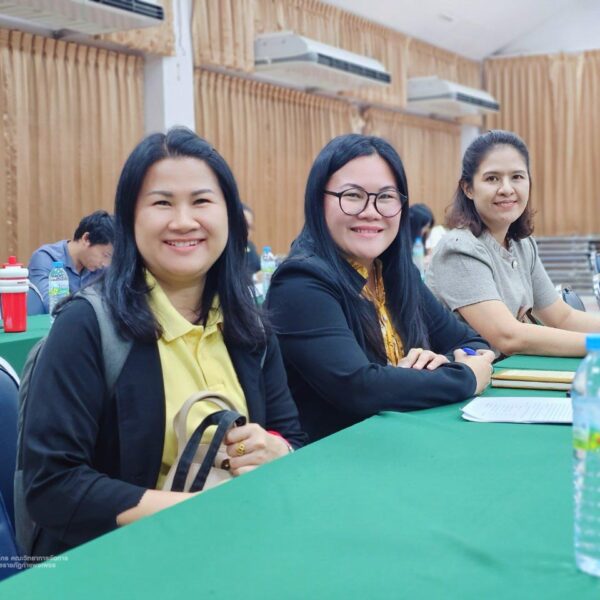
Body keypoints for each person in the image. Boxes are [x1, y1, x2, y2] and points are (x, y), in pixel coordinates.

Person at [22, 128, 305, 557]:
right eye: (162, 203)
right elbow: (52, 485)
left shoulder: (249, 326)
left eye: (202, 201)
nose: (184, 221)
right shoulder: (87, 326)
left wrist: (277, 449)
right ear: (130, 219)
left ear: (229, 216)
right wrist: (193, 511)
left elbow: (293, 435)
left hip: (239, 546)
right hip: (124, 559)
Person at [266, 134, 494, 442]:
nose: (371, 211)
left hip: (403, 443)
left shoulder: (394, 273)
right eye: (352, 195)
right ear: (318, 200)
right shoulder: (300, 283)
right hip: (335, 457)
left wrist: (443, 363)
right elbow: (359, 388)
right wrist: (465, 377)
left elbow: (473, 343)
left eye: (386, 197)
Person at [427, 129, 600, 357]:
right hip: (467, 377)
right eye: (492, 178)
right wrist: (596, 344)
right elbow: (508, 336)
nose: (507, 189)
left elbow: (562, 317)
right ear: (468, 188)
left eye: (517, 177)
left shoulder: (522, 245)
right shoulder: (459, 248)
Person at [28, 210, 114, 312]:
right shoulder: (46, 258)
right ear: (86, 239)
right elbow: (53, 305)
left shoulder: (101, 268)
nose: (105, 264)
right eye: (105, 255)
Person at [242, 203, 261, 274]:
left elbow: (258, 268)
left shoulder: (249, 246)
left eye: (249, 227)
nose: (247, 232)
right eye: (244, 225)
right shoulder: (225, 250)